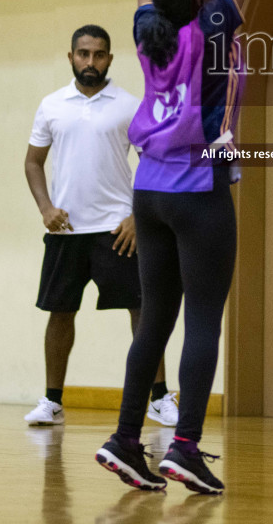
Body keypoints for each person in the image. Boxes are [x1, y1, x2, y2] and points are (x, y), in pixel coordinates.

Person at [96, 0, 260, 495]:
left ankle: (127, 437)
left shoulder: (146, 31)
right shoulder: (215, 23)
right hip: (199, 190)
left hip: (149, 191)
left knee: (155, 318)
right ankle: (184, 446)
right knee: (202, 322)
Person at [24, 25, 177, 428]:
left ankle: (159, 398)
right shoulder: (51, 105)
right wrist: (45, 208)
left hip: (118, 230)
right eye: (83, 53)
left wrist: (137, 217)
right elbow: (32, 162)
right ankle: (52, 402)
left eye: (99, 54)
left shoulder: (129, 105)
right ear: (70, 56)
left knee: (143, 311)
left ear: (110, 58)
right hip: (65, 232)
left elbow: (154, 163)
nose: (90, 61)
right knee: (59, 313)